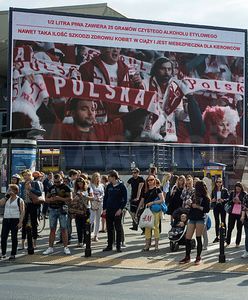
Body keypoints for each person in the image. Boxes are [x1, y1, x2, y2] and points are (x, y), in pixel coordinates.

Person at [79, 46, 143, 123]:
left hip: (121, 119)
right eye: (111, 47)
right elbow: (82, 96)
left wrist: (138, 84)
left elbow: (132, 94)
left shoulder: (125, 68)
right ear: (102, 49)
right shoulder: (87, 68)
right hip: (97, 119)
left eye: (118, 47)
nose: (116, 50)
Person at [49, 98, 148, 141]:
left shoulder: (102, 129)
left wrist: (149, 107)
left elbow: (126, 120)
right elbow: (45, 115)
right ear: (73, 113)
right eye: (84, 109)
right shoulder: (63, 130)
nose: (90, 113)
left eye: (93, 109)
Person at [179, 180, 210, 265]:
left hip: (200, 218)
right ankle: (187, 257)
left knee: (198, 237)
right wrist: (189, 204)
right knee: (187, 238)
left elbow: (207, 210)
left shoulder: (205, 198)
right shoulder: (193, 195)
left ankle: (198, 257)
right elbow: (191, 207)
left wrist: (197, 206)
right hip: (192, 217)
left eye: (196, 186)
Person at [43, 174, 72, 255]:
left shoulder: (66, 187)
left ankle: (66, 247)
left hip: (62, 209)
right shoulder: (51, 187)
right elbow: (46, 199)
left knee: (64, 229)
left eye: (58, 182)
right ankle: (50, 247)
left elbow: (70, 198)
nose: (57, 183)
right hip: (52, 209)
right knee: (52, 229)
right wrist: (51, 199)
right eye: (55, 182)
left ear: (61, 180)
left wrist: (60, 198)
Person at [136, 175, 165, 252]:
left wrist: (152, 202)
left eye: (151, 180)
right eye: (148, 180)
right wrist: (138, 211)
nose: (150, 181)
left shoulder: (157, 189)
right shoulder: (145, 190)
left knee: (155, 227)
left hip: (155, 211)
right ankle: (147, 245)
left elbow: (162, 200)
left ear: (154, 180)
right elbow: (142, 201)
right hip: (147, 211)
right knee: (147, 227)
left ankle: (156, 246)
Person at [102, 170, 127, 253]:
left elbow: (125, 200)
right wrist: (104, 209)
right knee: (109, 228)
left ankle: (118, 246)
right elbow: (105, 198)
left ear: (113, 177)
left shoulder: (121, 186)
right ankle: (109, 245)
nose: (108, 178)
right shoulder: (109, 186)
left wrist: (120, 209)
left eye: (109, 177)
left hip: (117, 211)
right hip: (109, 210)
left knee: (118, 228)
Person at [0, 184, 25, 260]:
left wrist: (20, 222)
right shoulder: (7, 198)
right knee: (3, 237)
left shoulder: (19, 200)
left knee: (14, 237)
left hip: (15, 220)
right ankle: (3, 253)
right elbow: (1, 203)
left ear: (15, 191)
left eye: (10, 189)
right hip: (6, 219)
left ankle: (13, 254)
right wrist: (6, 196)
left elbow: (22, 211)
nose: (8, 191)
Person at [19, 169, 43, 250]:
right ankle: (22, 244)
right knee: (24, 224)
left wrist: (30, 189)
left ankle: (34, 243)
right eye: (25, 175)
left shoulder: (35, 183)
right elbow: (21, 194)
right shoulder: (22, 183)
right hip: (25, 205)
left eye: (28, 175)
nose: (26, 177)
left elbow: (39, 193)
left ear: (31, 175)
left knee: (33, 224)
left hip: (33, 205)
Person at [69, 177, 92, 248]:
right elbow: (72, 200)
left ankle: (85, 241)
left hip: (86, 210)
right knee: (78, 227)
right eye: (78, 184)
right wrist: (75, 197)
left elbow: (92, 198)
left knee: (86, 226)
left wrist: (84, 196)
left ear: (84, 183)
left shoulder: (88, 189)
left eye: (81, 183)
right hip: (77, 210)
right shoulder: (75, 190)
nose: (80, 185)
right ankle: (80, 241)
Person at [225, 182, 246, 247]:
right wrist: (233, 201)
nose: (237, 190)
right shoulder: (232, 193)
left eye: (239, 189)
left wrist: (239, 202)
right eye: (236, 189)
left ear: (241, 188)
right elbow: (229, 202)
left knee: (239, 228)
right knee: (230, 227)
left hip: (240, 213)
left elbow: (245, 204)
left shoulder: (244, 194)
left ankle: (237, 243)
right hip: (232, 213)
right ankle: (227, 242)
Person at [211, 177, 229, 243]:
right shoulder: (214, 190)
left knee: (223, 221)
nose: (218, 183)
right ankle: (217, 236)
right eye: (217, 182)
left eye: (220, 182)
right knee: (217, 221)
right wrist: (212, 200)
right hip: (216, 206)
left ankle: (224, 236)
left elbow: (228, 198)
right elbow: (211, 198)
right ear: (215, 183)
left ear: (222, 183)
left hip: (222, 207)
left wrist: (223, 200)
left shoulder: (224, 190)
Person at [90, 172, 105, 242]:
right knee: (91, 219)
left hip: (100, 203)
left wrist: (100, 197)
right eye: (95, 176)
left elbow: (103, 194)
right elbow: (91, 194)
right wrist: (95, 198)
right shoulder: (91, 185)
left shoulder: (101, 185)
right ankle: (88, 234)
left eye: (98, 177)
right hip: (92, 203)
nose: (97, 178)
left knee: (98, 220)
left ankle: (96, 235)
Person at [241, 193, 248, 258]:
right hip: (247, 219)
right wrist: (242, 216)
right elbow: (244, 207)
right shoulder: (246, 196)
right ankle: (246, 251)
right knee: (247, 235)